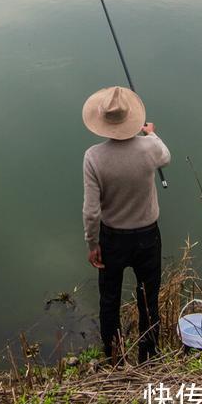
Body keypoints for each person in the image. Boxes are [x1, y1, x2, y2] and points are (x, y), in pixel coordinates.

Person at [82, 85, 171, 362]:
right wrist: (151, 132)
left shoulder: (94, 157)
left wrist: (92, 243)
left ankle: (114, 356)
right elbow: (166, 156)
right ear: (131, 119)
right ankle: (148, 355)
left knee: (110, 300)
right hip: (147, 237)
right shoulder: (150, 148)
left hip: (112, 239)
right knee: (148, 299)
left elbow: (91, 211)